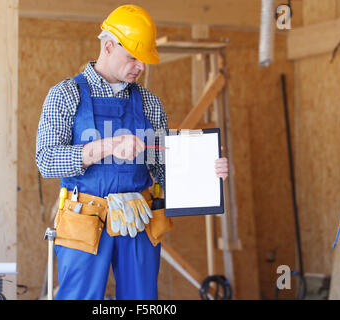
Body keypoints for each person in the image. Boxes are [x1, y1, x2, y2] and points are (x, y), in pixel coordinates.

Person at [36, 4, 229, 300]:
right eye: (133, 57)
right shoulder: (64, 95)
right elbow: (47, 161)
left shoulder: (150, 103)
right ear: (109, 46)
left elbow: (164, 170)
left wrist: (207, 170)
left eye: (144, 59)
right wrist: (106, 146)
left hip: (138, 220)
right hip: (85, 220)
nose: (140, 66)